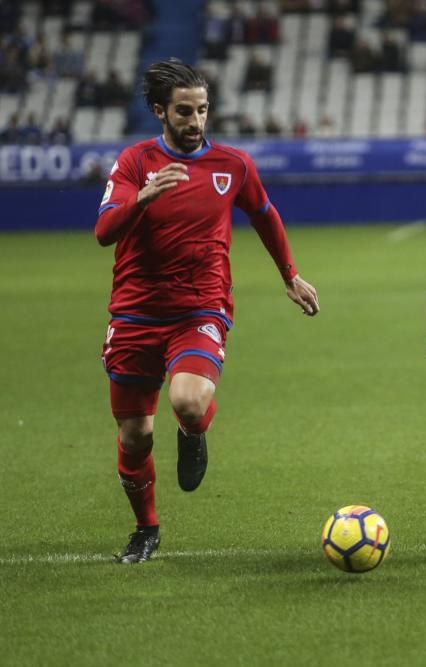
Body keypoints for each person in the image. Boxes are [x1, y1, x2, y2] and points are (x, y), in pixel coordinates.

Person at [95, 58, 319, 564]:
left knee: (190, 402)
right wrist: (143, 199)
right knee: (135, 435)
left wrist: (289, 274)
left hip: (201, 307)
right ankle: (146, 529)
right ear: (160, 112)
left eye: (202, 110)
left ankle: (194, 432)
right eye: (184, 111)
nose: (196, 121)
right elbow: (104, 231)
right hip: (134, 313)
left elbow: (264, 214)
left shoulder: (233, 165)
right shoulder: (134, 163)